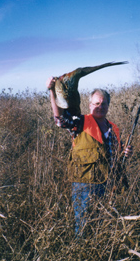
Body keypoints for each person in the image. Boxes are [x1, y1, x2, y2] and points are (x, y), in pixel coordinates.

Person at [46, 77, 132, 236]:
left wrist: (124, 152)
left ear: (108, 105)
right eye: (96, 103)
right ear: (90, 105)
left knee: (104, 227)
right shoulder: (80, 121)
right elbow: (59, 120)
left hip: (110, 184)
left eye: (103, 103)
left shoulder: (114, 128)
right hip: (85, 185)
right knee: (84, 227)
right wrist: (52, 91)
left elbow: (115, 155)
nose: (100, 107)